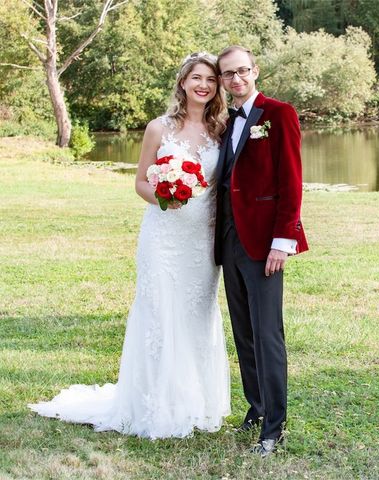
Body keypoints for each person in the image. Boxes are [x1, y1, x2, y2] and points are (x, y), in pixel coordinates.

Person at [28, 52, 231, 439]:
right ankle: (154, 404)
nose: (203, 85)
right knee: (159, 314)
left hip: (201, 241)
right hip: (163, 237)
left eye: (210, 80)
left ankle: (193, 402)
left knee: (195, 317)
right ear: (183, 82)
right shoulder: (159, 128)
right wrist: (165, 197)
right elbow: (140, 182)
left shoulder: (220, 130)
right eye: (196, 78)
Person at [214, 45, 308, 457]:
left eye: (242, 71)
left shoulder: (278, 114)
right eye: (227, 74)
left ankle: (274, 426)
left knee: (267, 334)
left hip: (264, 242)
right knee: (244, 333)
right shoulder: (225, 119)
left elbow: (291, 180)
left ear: (255, 71)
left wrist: (283, 242)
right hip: (230, 241)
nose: (236, 80)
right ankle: (255, 409)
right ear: (221, 80)